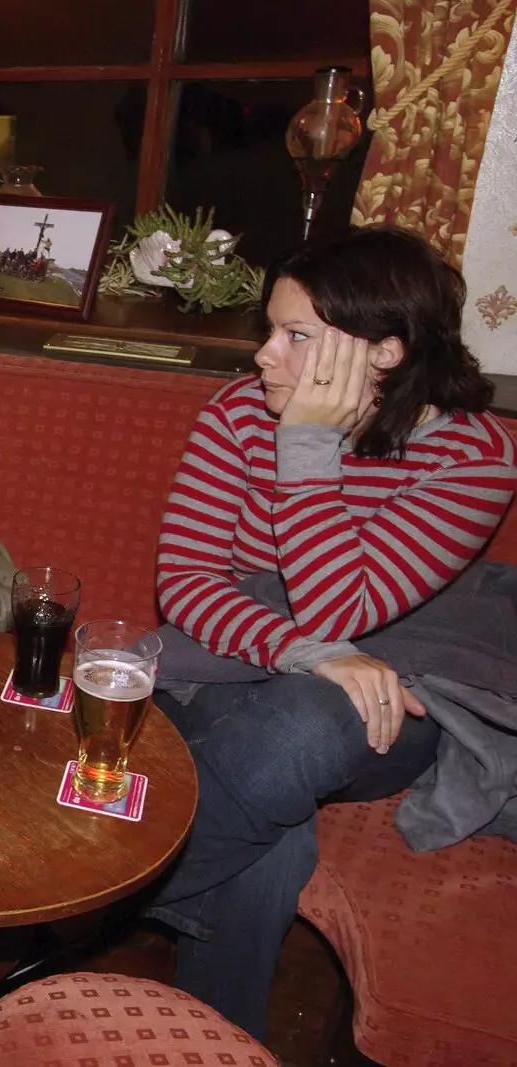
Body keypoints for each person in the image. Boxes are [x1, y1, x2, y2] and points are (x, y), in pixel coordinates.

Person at [147, 226, 517, 1037]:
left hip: (389, 705)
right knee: (271, 844)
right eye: (269, 330)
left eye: (296, 336)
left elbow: (336, 610)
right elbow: (186, 586)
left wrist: (306, 444)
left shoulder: (474, 458)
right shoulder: (238, 413)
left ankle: (91, 900)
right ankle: (210, 1048)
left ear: (383, 352)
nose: (263, 358)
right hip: (234, 668)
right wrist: (301, 651)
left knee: (306, 722)